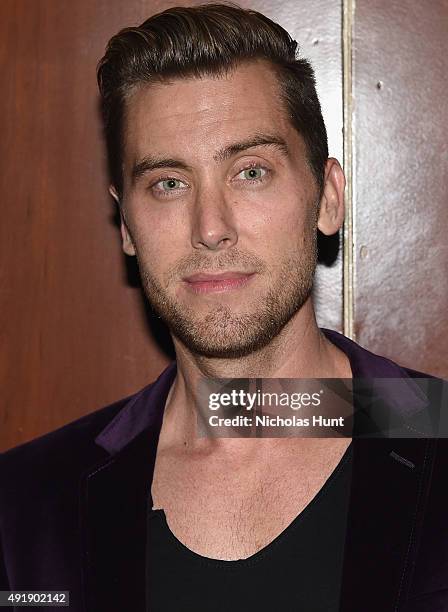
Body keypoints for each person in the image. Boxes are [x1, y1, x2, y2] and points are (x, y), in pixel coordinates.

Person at [0, 4, 446, 612]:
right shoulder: (25, 505)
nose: (211, 228)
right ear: (127, 223)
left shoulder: (434, 432)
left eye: (251, 171)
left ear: (327, 197)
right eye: (168, 183)